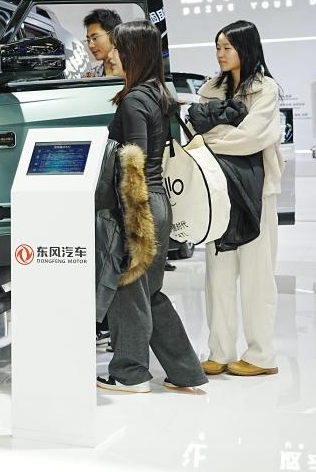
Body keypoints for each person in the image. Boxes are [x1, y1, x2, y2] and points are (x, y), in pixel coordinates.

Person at [97, 21, 207, 394]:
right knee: (150, 293)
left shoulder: (133, 100)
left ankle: (130, 374)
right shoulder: (159, 93)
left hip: (139, 206)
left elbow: (135, 165)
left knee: (129, 290)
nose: (112, 54)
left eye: (118, 48)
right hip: (159, 206)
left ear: (134, 53)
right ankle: (185, 371)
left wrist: (133, 224)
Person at [198, 20, 284, 378]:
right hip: (217, 193)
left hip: (257, 192)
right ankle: (220, 351)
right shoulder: (209, 88)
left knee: (257, 275)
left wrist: (212, 137)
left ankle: (262, 355)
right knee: (217, 275)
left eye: (227, 48)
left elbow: (253, 137)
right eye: (217, 47)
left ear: (245, 48)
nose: (220, 54)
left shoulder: (265, 89)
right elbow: (196, 126)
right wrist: (218, 133)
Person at [82, 8, 122, 77]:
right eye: (88, 40)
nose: (90, 45)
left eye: (95, 38)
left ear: (113, 34)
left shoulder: (132, 73)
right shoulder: (91, 77)